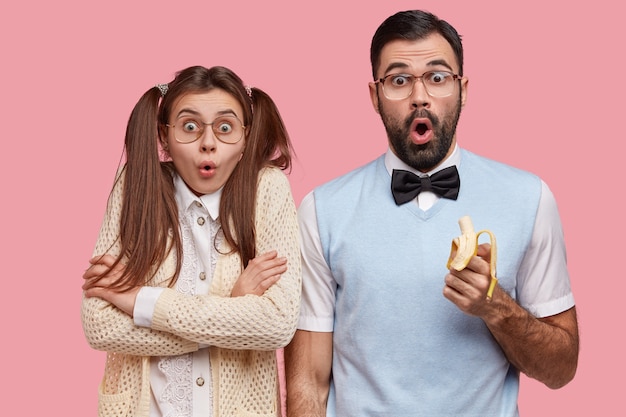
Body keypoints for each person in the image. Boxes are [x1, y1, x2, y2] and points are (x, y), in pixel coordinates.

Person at [284, 10, 579, 417]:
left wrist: (495, 306)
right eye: (399, 80)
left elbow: (561, 369)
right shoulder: (321, 210)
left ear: (463, 90)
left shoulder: (530, 198)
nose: (419, 96)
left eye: (437, 77)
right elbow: (308, 383)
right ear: (374, 96)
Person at [81, 65, 301, 417]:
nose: (208, 143)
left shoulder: (268, 189)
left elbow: (277, 323)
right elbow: (100, 325)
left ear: (245, 137)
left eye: (225, 128)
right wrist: (231, 308)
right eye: (189, 127)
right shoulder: (135, 185)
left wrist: (143, 301)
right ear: (164, 137)